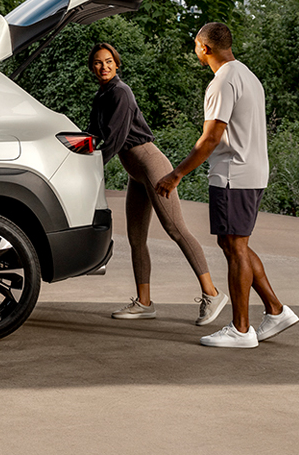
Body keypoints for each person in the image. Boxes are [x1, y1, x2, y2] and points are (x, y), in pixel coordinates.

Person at [156, 22, 299, 348]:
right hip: (250, 172)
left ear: (203, 47)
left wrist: (176, 174)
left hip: (235, 175)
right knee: (235, 244)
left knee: (235, 248)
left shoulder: (223, 82)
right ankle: (276, 311)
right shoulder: (247, 76)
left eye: (196, 45)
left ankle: (240, 329)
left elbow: (210, 139)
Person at [86, 42, 227, 324]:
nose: (104, 67)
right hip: (135, 172)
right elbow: (91, 133)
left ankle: (212, 293)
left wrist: (90, 167)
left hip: (151, 165)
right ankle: (145, 303)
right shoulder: (101, 96)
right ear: (92, 68)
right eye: (98, 63)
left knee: (176, 229)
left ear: (117, 64)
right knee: (136, 238)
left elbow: (114, 138)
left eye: (109, 61)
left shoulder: (121, 93)